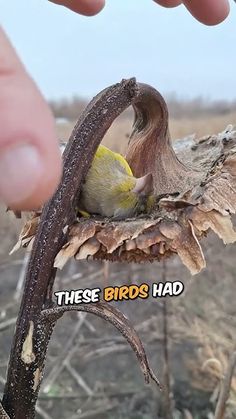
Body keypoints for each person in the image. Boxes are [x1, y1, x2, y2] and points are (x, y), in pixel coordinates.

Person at [0, 0, 230, 211]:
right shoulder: (123, 168)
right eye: (145, 197)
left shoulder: (89, 207)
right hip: (65, 151)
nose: (143, 189)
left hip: (60, 158)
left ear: (110, 211)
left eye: (139, 201)